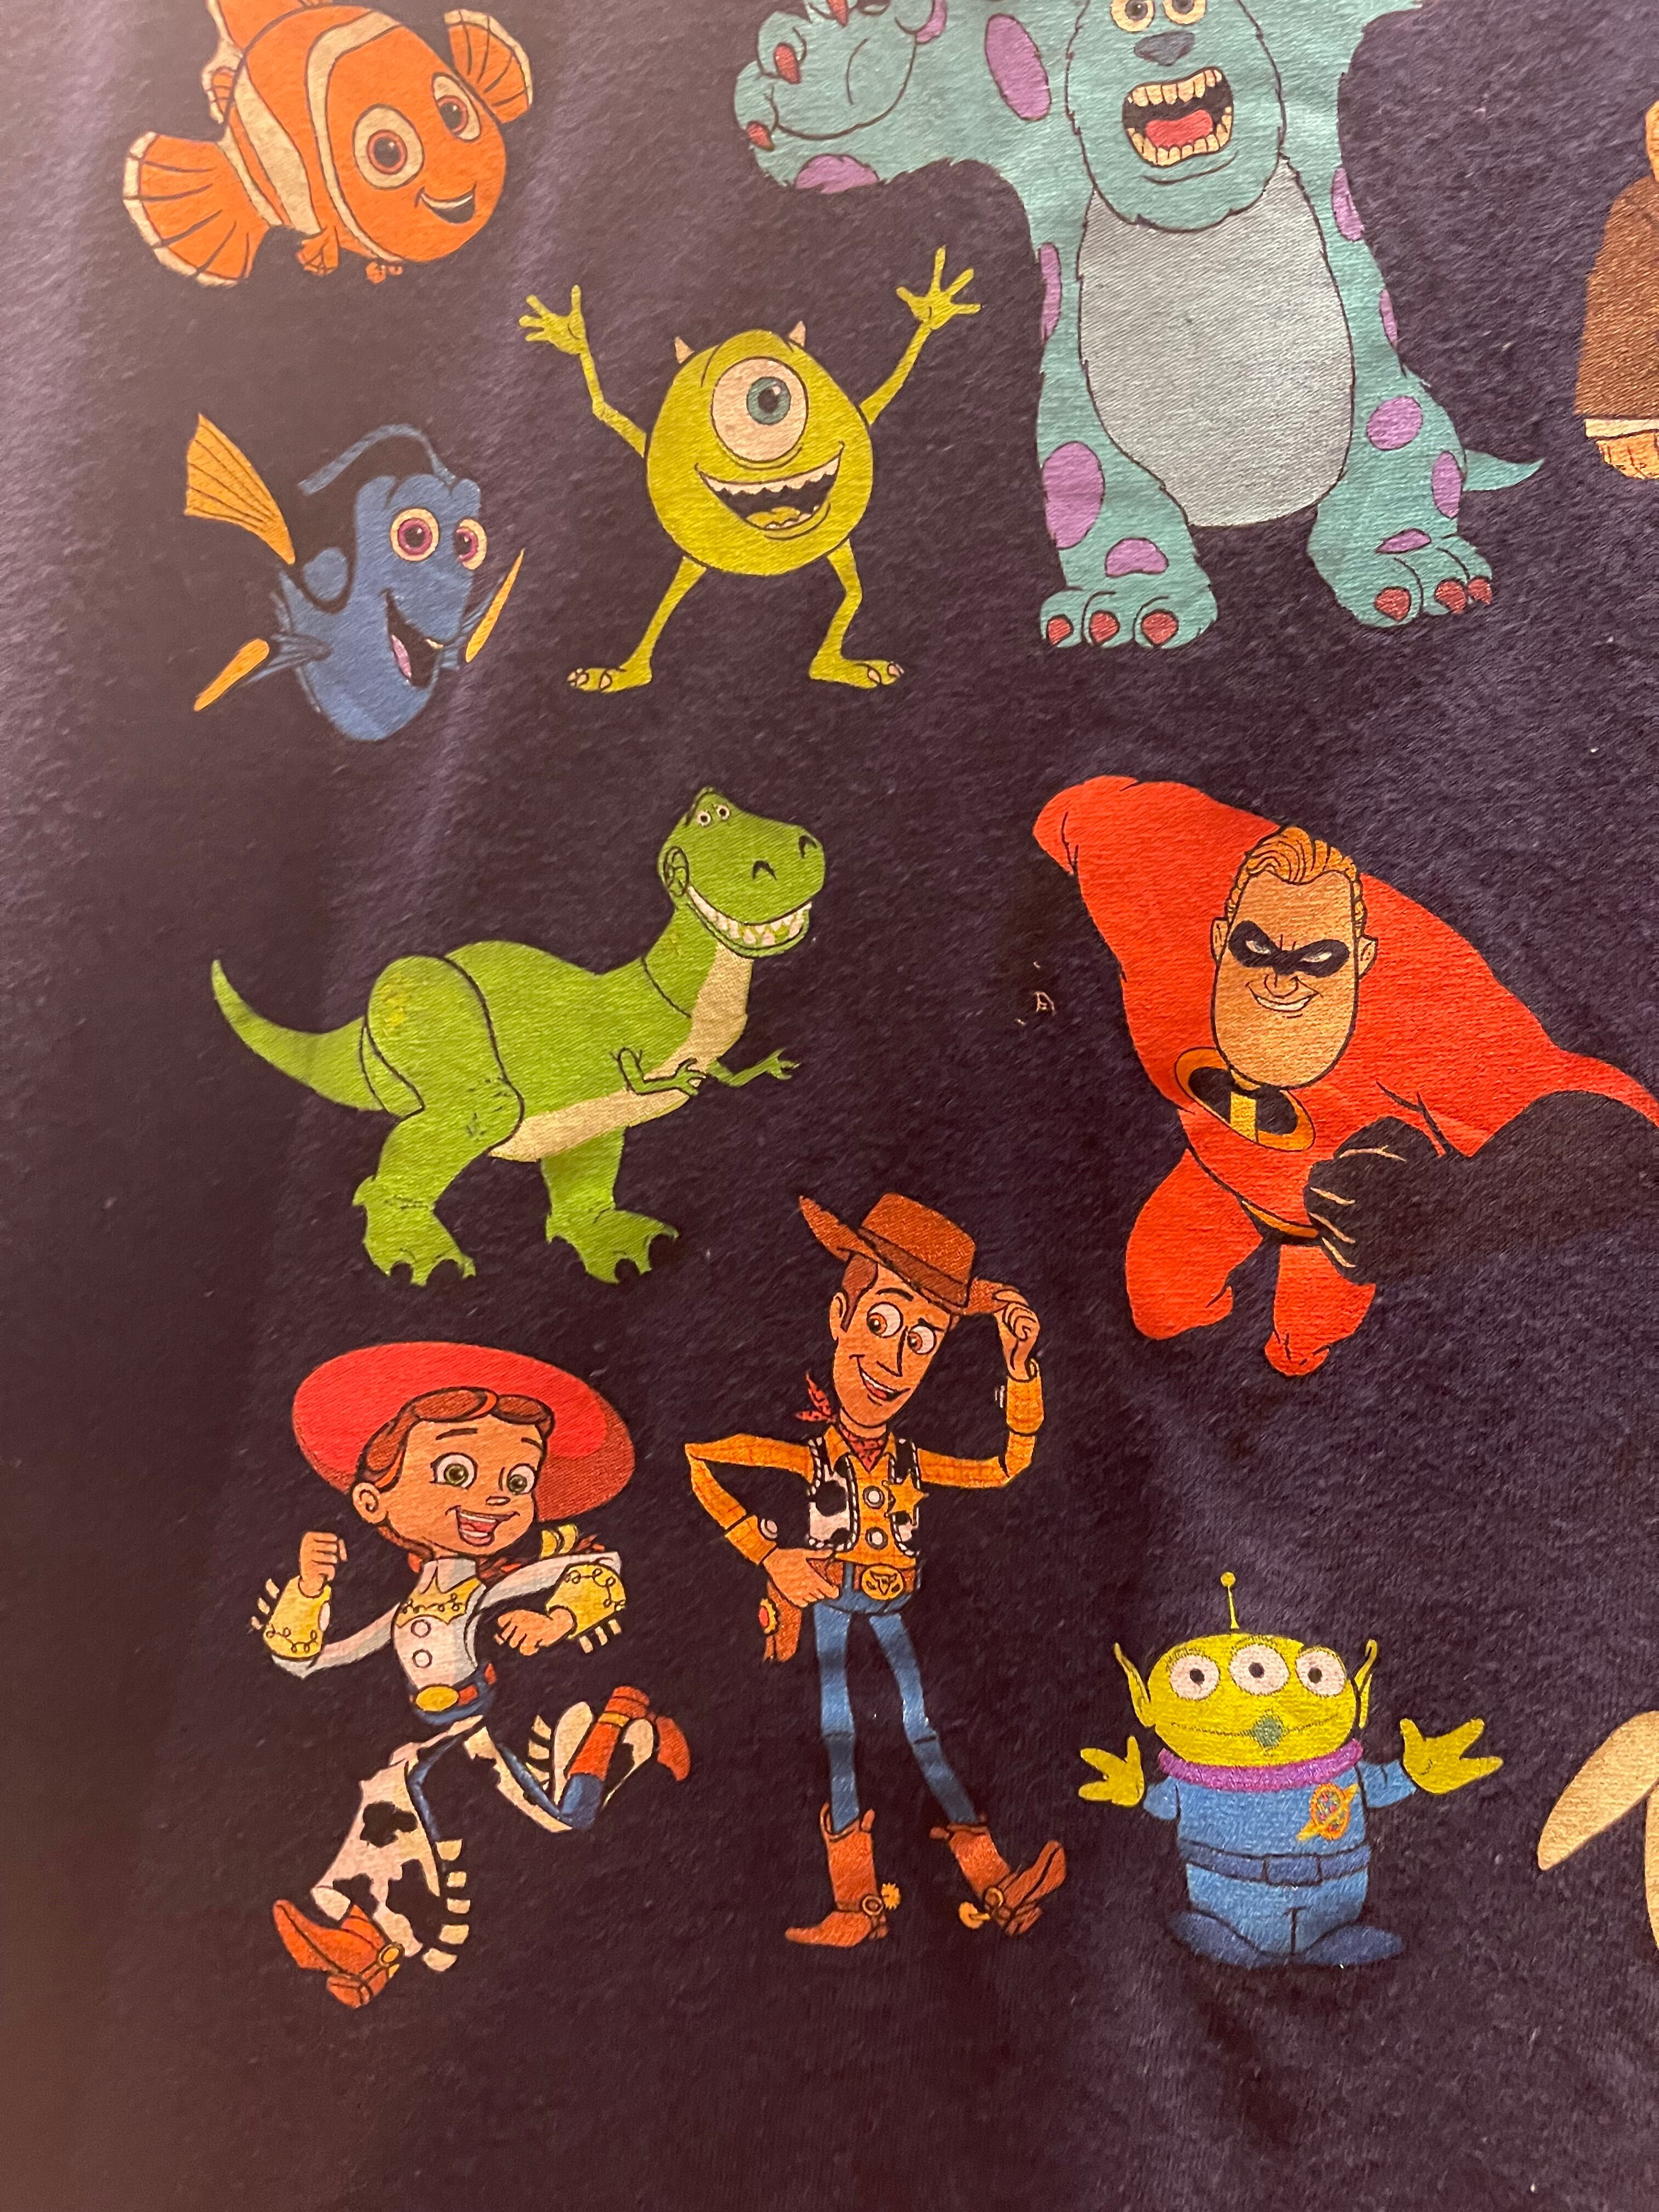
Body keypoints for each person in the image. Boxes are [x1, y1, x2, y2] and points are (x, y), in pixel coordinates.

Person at [1036, 775, 1659, 1376]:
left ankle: (1294, 1357)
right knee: (1158, 1305)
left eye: (1317, 961)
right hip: (1216, 1174)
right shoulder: (1147, 873)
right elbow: (1076, 819)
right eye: (1257, 951)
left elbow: (1621, 1127)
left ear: (1362, 960)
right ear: (1221, 936)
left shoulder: (1430, 1007)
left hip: (1333, 1222)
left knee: (1305, 1339)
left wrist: (1460, 1209)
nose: (1282, 980)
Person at [257, 1341, 689, 2007]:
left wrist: (554, 1620)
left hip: (484, 1724)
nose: (495, 1496)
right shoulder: (409, 1606)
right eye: (457, 1471)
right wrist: (310, 1590)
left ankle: (626, 1726)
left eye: (518, 1482)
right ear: (372, 1500)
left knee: (544, 1812)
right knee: (397, 1792)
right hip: (441, 1731)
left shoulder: (490, 1588)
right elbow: (309, 1658)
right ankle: (364, 1945)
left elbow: (599, 1570)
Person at [686, 1193, 1065, 1948]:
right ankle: (855, 1901)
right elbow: (700, 1460)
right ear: (841, 1317)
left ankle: (992, 1876)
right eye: (883, 1323)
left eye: (920, 1341)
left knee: (922, 1727)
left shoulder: (913, 1461)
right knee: (839, 1733)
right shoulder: (806, 1454)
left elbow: (1005, 1465)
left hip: (891, 1608)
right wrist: (770, 1554)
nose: (894, 1360)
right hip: (831, 1604)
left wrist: (1020, 1370)